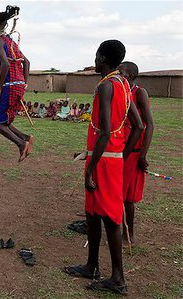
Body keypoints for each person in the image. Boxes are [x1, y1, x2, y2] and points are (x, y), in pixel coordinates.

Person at [64, 40, 143, 296]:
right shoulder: (123, 84)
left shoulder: (106, 87)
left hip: (102, 162)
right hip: (111, 159)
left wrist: (90, 169)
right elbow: (138, 126)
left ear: (102, 57)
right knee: (93, 213)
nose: (94, 60)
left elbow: (106, 131)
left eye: (96, 56)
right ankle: (91, 265)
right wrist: (122, 153)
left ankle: (118, 279)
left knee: (109, 218)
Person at [0, 5, 33, 162]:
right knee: (3, 118)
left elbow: (5, 64)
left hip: (9, 85)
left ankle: (21, 144)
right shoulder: (10, 42)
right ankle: (26, 137)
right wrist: (23, 84)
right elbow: (26, 62)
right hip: (17, 85)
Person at [118, 61, 154, 247]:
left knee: (128, 198)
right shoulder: (120, 92)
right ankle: (118, 230)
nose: (119, 75)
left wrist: (142, 156)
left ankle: (128, 235)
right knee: (118, 193)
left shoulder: (139, 93)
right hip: (119, 150)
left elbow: (148, 125)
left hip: (133, 153)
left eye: (122, 73)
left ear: (131, 76)